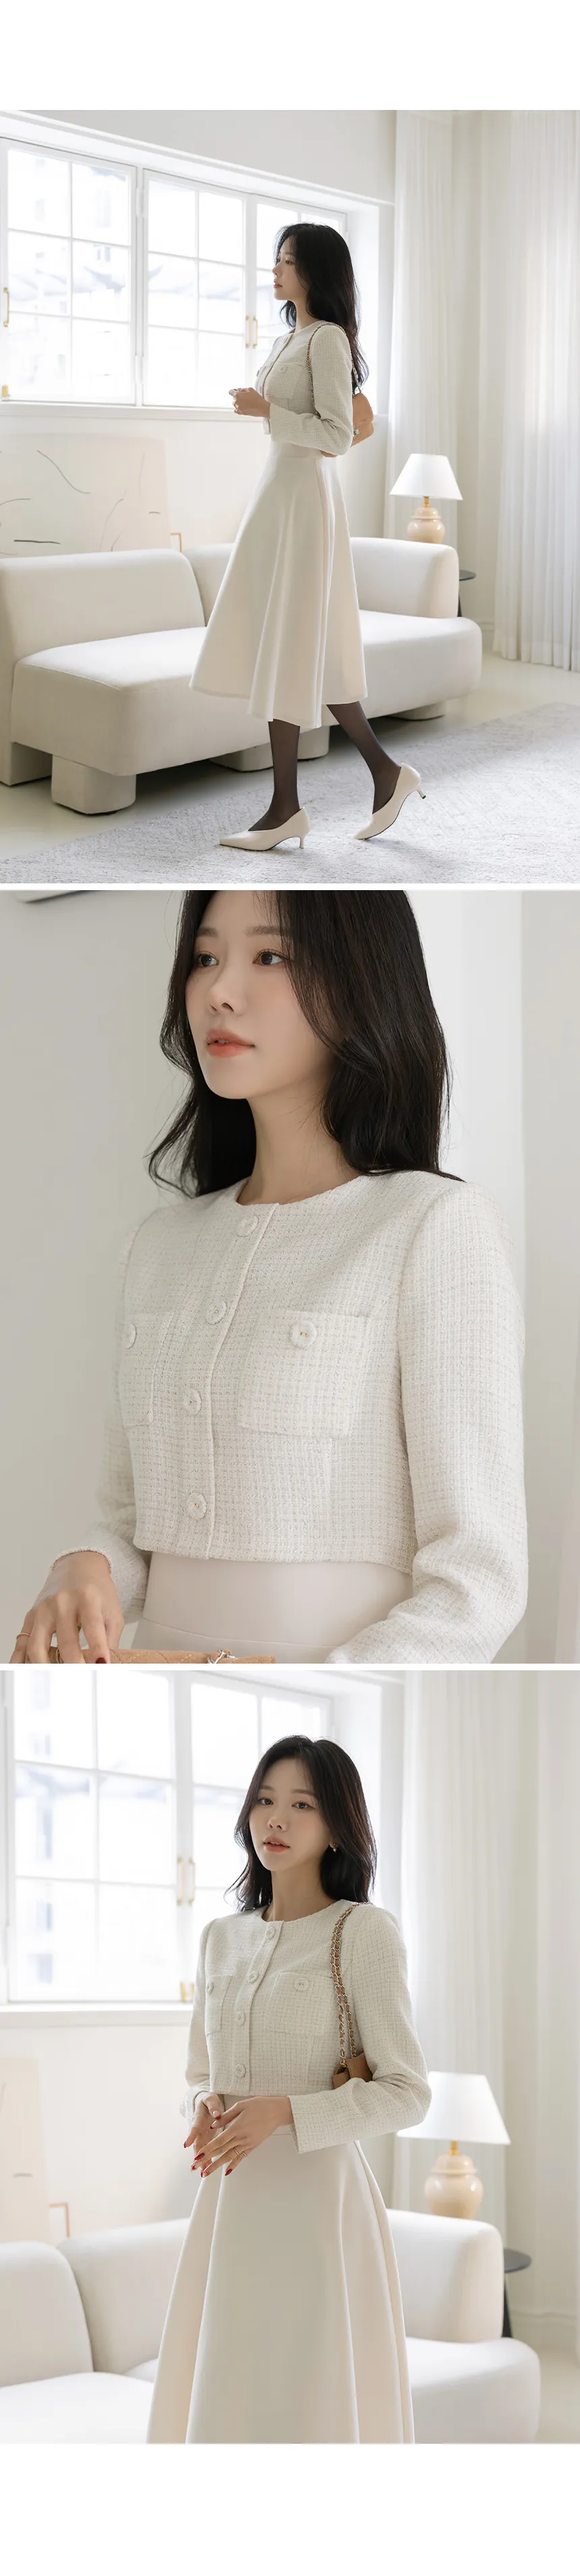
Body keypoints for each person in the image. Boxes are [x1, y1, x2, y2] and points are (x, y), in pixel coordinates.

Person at [12, 887, 527, 1667]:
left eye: (269, 955)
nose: (219, 990)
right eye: (205, 957)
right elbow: (130, 1522)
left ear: (360, 982)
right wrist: (82, 1564)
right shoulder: (158, 1247)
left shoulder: (431, 1226)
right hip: (152, 1690)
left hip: (329, 1698)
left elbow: (477, 1581)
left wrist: (313, 1691)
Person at [147, 1734, 431, 2444]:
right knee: (227, 2394)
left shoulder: (362, 1932)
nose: (275, 1819)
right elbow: (197, 2071)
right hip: (228, 2203)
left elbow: (407, 2091)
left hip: (317, 2209)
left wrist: (283, 2113)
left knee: (308, 2401)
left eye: (302, 1805)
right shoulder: (220, 1937)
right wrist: (203, 2104)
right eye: (264, 1801)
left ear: (337, 1825)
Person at [190, 223, 424, 851]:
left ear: (315, 271)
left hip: (304, 499)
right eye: (276, 259)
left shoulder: (327, 340)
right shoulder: (288, 337)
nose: (275, 270)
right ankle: (374, 777)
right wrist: (265, 410)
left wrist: (267, 410)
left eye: (287, 261)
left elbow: (337, 435)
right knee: (291, 647)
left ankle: (289, 807)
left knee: (292, 645)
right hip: (278, 494)